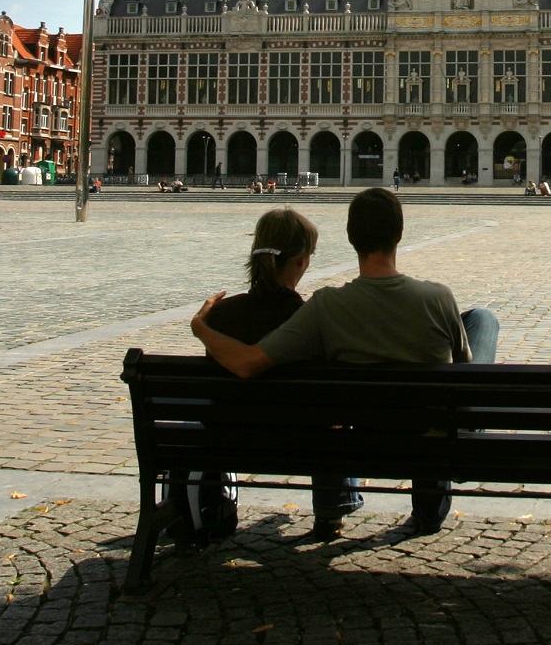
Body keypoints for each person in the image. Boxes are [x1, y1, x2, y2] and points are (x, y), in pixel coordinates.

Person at [191, 187, 498, 540]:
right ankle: (433, 504)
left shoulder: (324, 307)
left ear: (351, 238)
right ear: (399, 234)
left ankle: (332, 512)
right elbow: (462, 369)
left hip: (356, 430)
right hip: (426, 433)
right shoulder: (439, 297)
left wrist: (200, 327)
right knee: (481, 322)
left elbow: (249, 362)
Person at [183, 208, 320, 546]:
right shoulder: (309, 319)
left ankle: (212, 504)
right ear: (301, 261)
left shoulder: (220, 316)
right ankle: (333, 509)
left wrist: (200, 328)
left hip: (227, 438)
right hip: (304, 444)